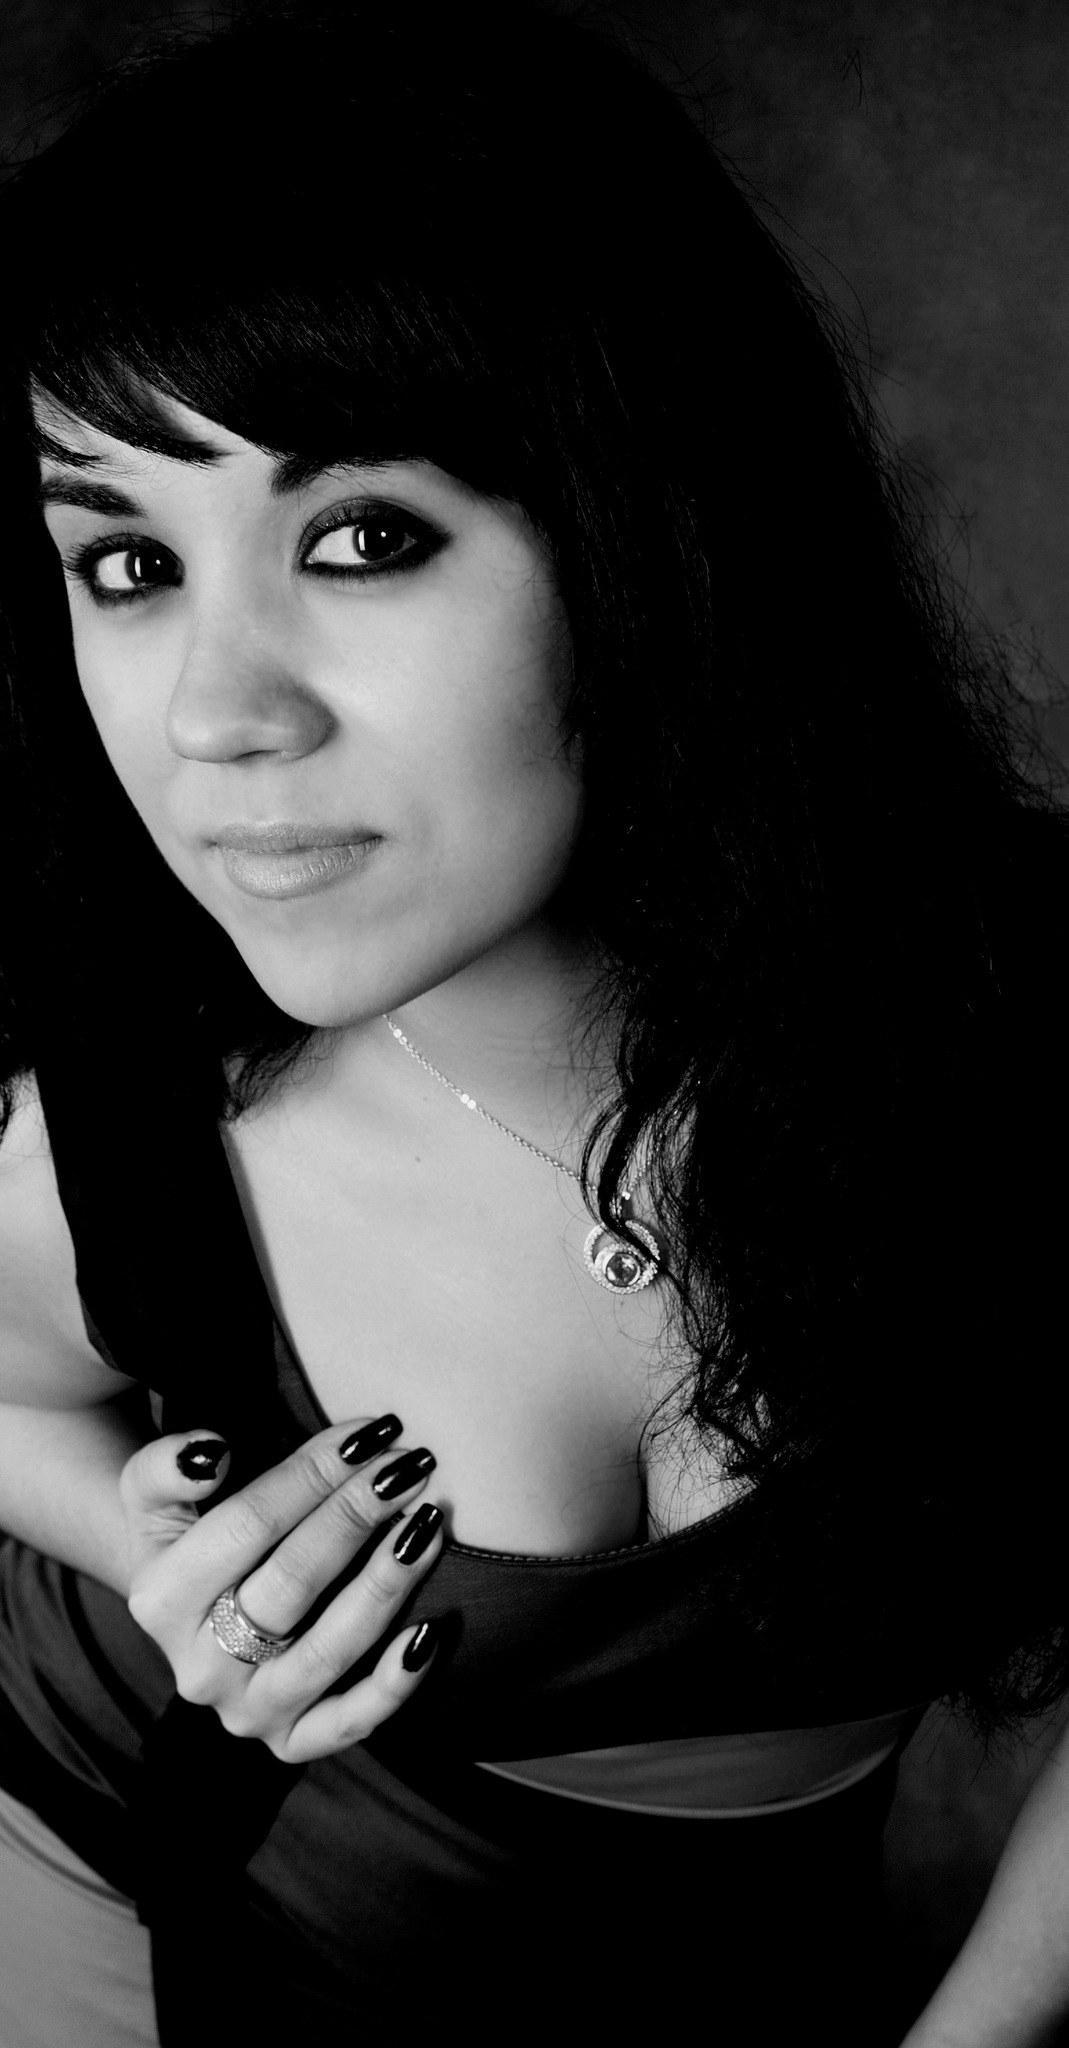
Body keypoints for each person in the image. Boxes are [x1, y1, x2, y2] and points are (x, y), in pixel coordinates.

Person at [0, 2, 1066, 2042]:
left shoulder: (1020, 1020)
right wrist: (146, 1533)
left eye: (361, 541)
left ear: (650, 531)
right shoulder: (123, 1139)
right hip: (101, 1908)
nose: (217, 712)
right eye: (122, 560)